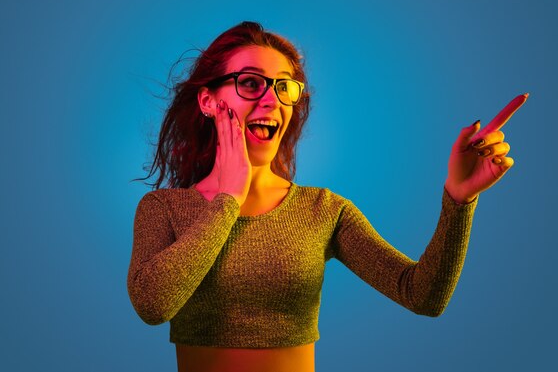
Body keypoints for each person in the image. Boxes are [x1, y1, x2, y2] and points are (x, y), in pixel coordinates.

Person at [127, 21, 528, 372]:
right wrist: (229, 199)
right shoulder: (164, 209)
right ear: (209, 101)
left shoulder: (323, 211)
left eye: (284, 87)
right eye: (251, 83)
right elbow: (153, 306)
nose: (271, 99)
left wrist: (459, 201)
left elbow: (422, 295)